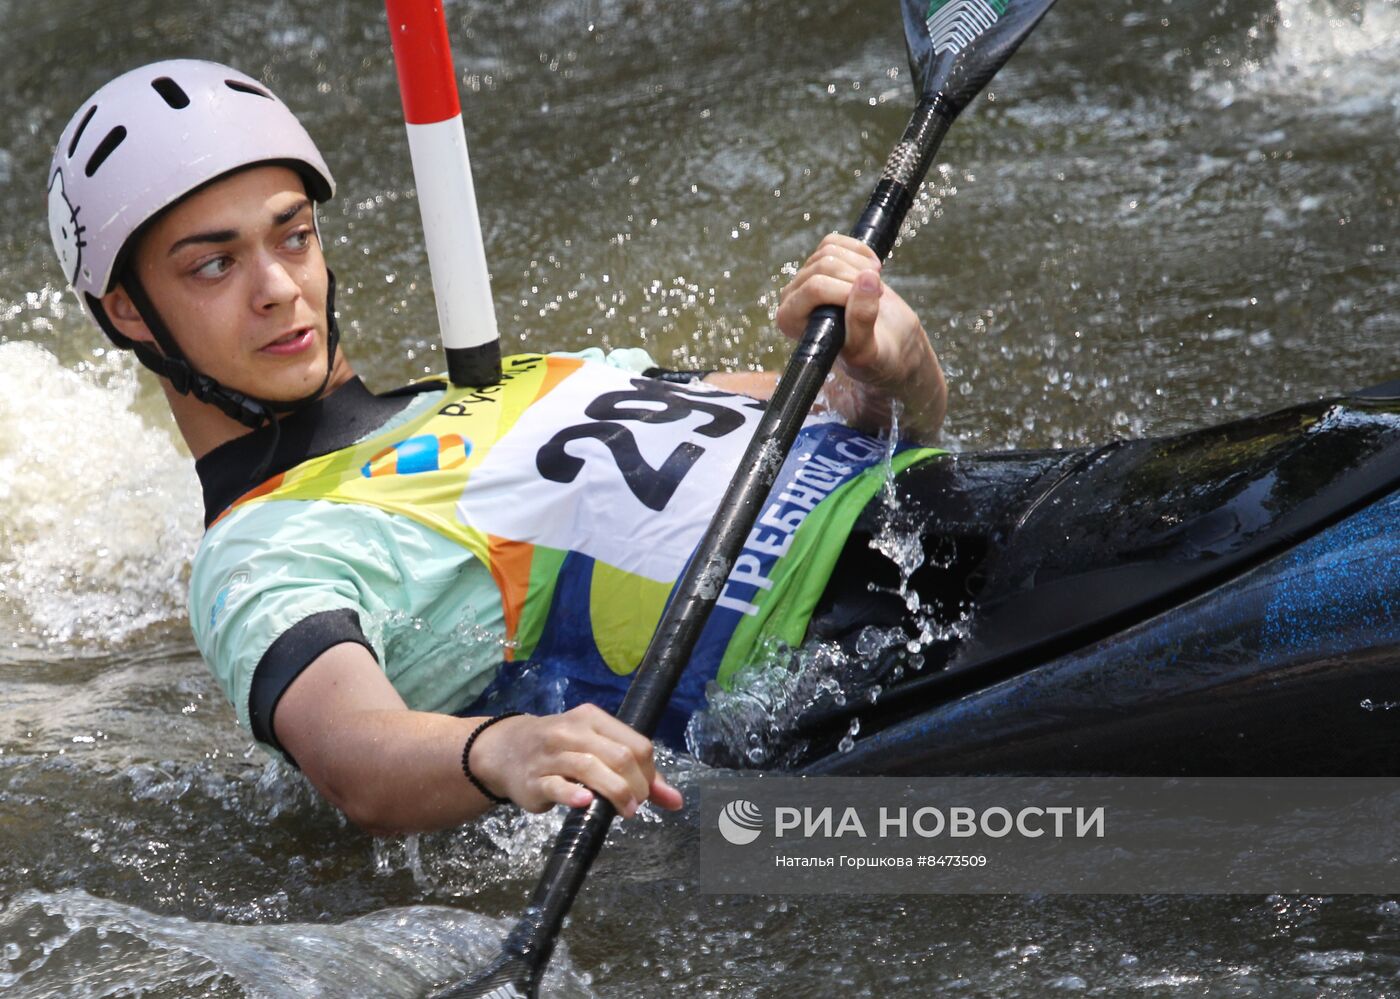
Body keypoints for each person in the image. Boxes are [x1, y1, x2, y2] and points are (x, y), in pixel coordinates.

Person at [46, 59, 948, 835]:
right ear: (128, 310)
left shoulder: (525, 375)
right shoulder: (262, 546)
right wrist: (501, 747)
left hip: (947, 514)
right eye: (215, 263)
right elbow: (350, 757)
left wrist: (895, 359)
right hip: (873, 677)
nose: (279, 288)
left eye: (293, 235)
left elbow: (853, 411)